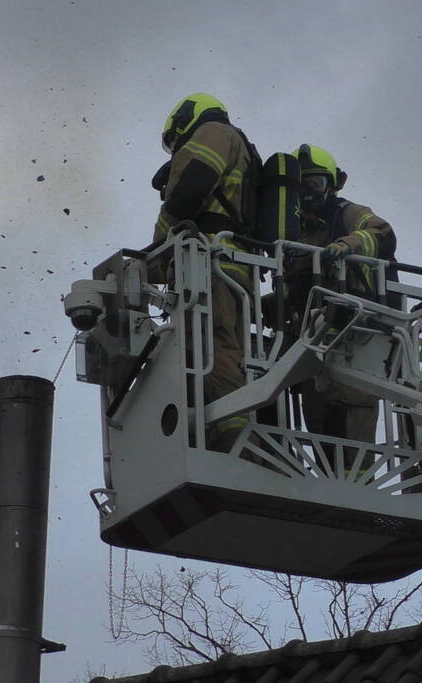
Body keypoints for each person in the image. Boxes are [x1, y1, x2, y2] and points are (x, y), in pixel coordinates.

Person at [153, 93, 258, 452]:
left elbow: (192, 187)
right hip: (232, 265)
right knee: (218, 350)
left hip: (211, 263)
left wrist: (155, 249)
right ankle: (216, 435)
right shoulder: (240, 144)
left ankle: (234, 440)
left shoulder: (213, 132)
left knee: (215, 349)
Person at [289, 144, 397, 445]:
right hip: (312, 340)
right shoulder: (296, 234)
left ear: (332, 184)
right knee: (317, 413)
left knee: (352, 405)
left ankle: (355, 475)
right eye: (303, 185)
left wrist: (348, 245)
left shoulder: (347, 214)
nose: (309, 192)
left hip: (356, 331)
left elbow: (382, 233)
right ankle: (328, 477)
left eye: (316, 183)